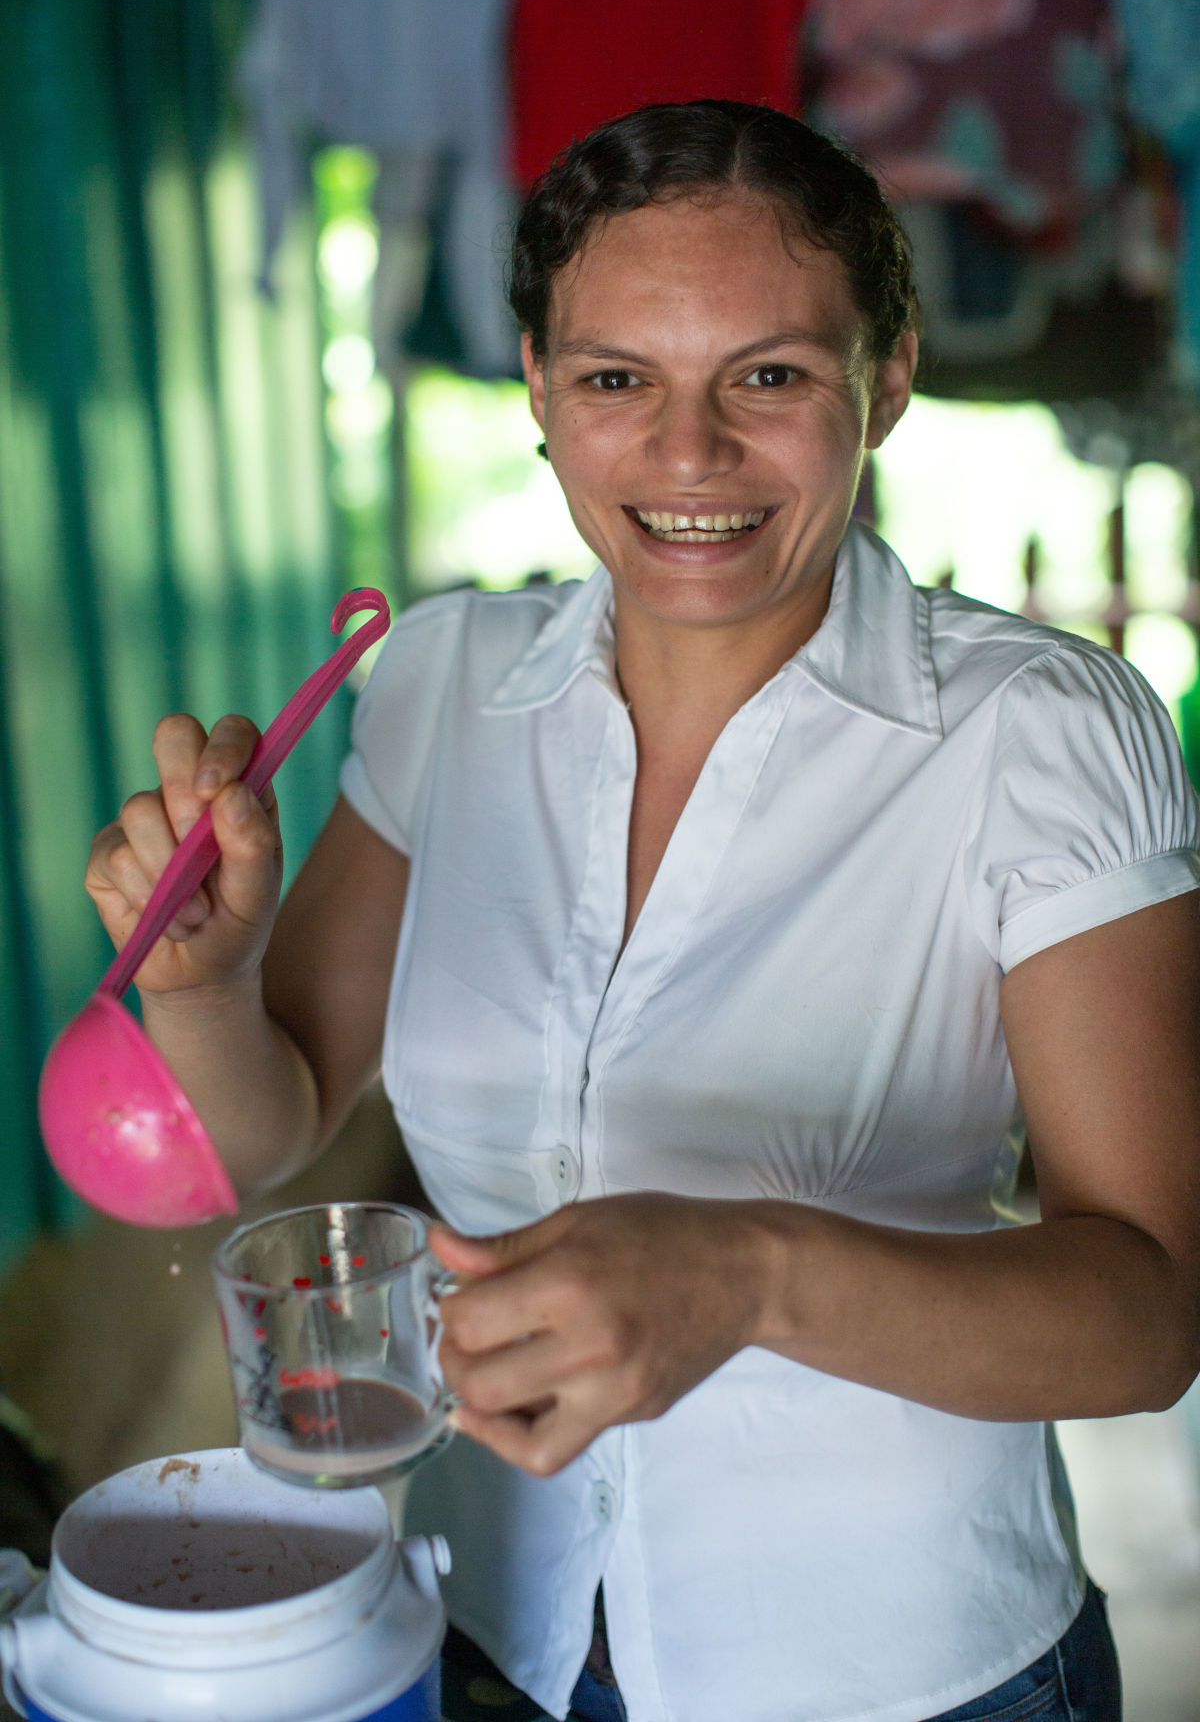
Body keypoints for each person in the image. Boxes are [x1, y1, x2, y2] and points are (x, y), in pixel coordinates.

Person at [86, 100, 1200, 1722]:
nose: (690, 456)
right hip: (499, 1636)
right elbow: (276, 1124)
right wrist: (206, 985)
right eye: (618, 380)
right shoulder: (449, 681)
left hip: (898, 1674)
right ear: (537, 390)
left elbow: (1152, 1312)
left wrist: (747, 1274)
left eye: (770, 376)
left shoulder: (1043, 727)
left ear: (885, 380)